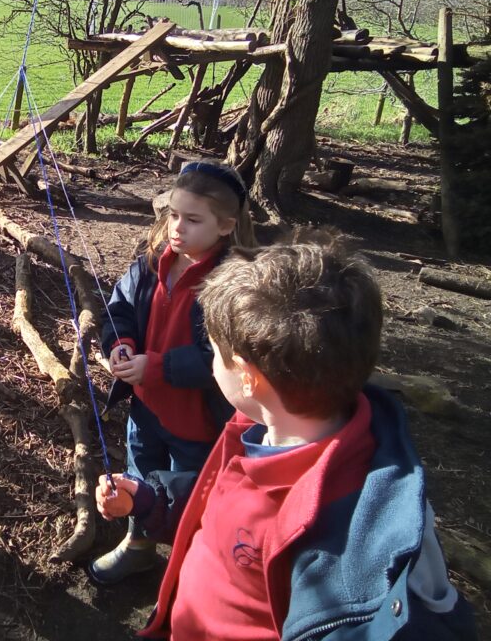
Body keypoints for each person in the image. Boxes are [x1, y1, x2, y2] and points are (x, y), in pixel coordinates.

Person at [96, 236, 477, 640]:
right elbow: (227, 506)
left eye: (215, 353)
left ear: (247, 376)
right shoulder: (258, 428)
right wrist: (153, 500)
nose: (213, 362)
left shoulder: (360, 541)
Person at [90, 160, 257, 584]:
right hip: (146, 409)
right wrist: (120, 344)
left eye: (193, 220)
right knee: (141, 476)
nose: (177, 228)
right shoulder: (153, 261)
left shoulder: (234, 283)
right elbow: (119, 308)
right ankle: (139, 545)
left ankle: (192, 569)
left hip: (200, 422)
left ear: (225, 226)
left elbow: (226, 359)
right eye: (174, 215)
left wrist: (160, 366)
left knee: (195, 496)